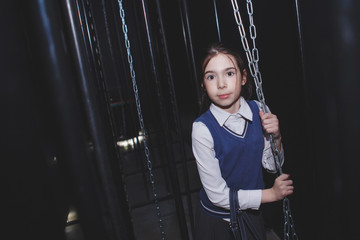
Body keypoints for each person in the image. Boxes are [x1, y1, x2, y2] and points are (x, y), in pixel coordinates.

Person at [191, 42, 294, 240]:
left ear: (243, 77)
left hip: (252, 213)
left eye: (229, 73)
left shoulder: (260, 109)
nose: (221, 84)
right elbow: (218, 196)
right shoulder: (202, 129)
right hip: (218, 221)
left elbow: (271, 166)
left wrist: (277, 137)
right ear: (203, 85)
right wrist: (270, 195)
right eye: (211, 76)